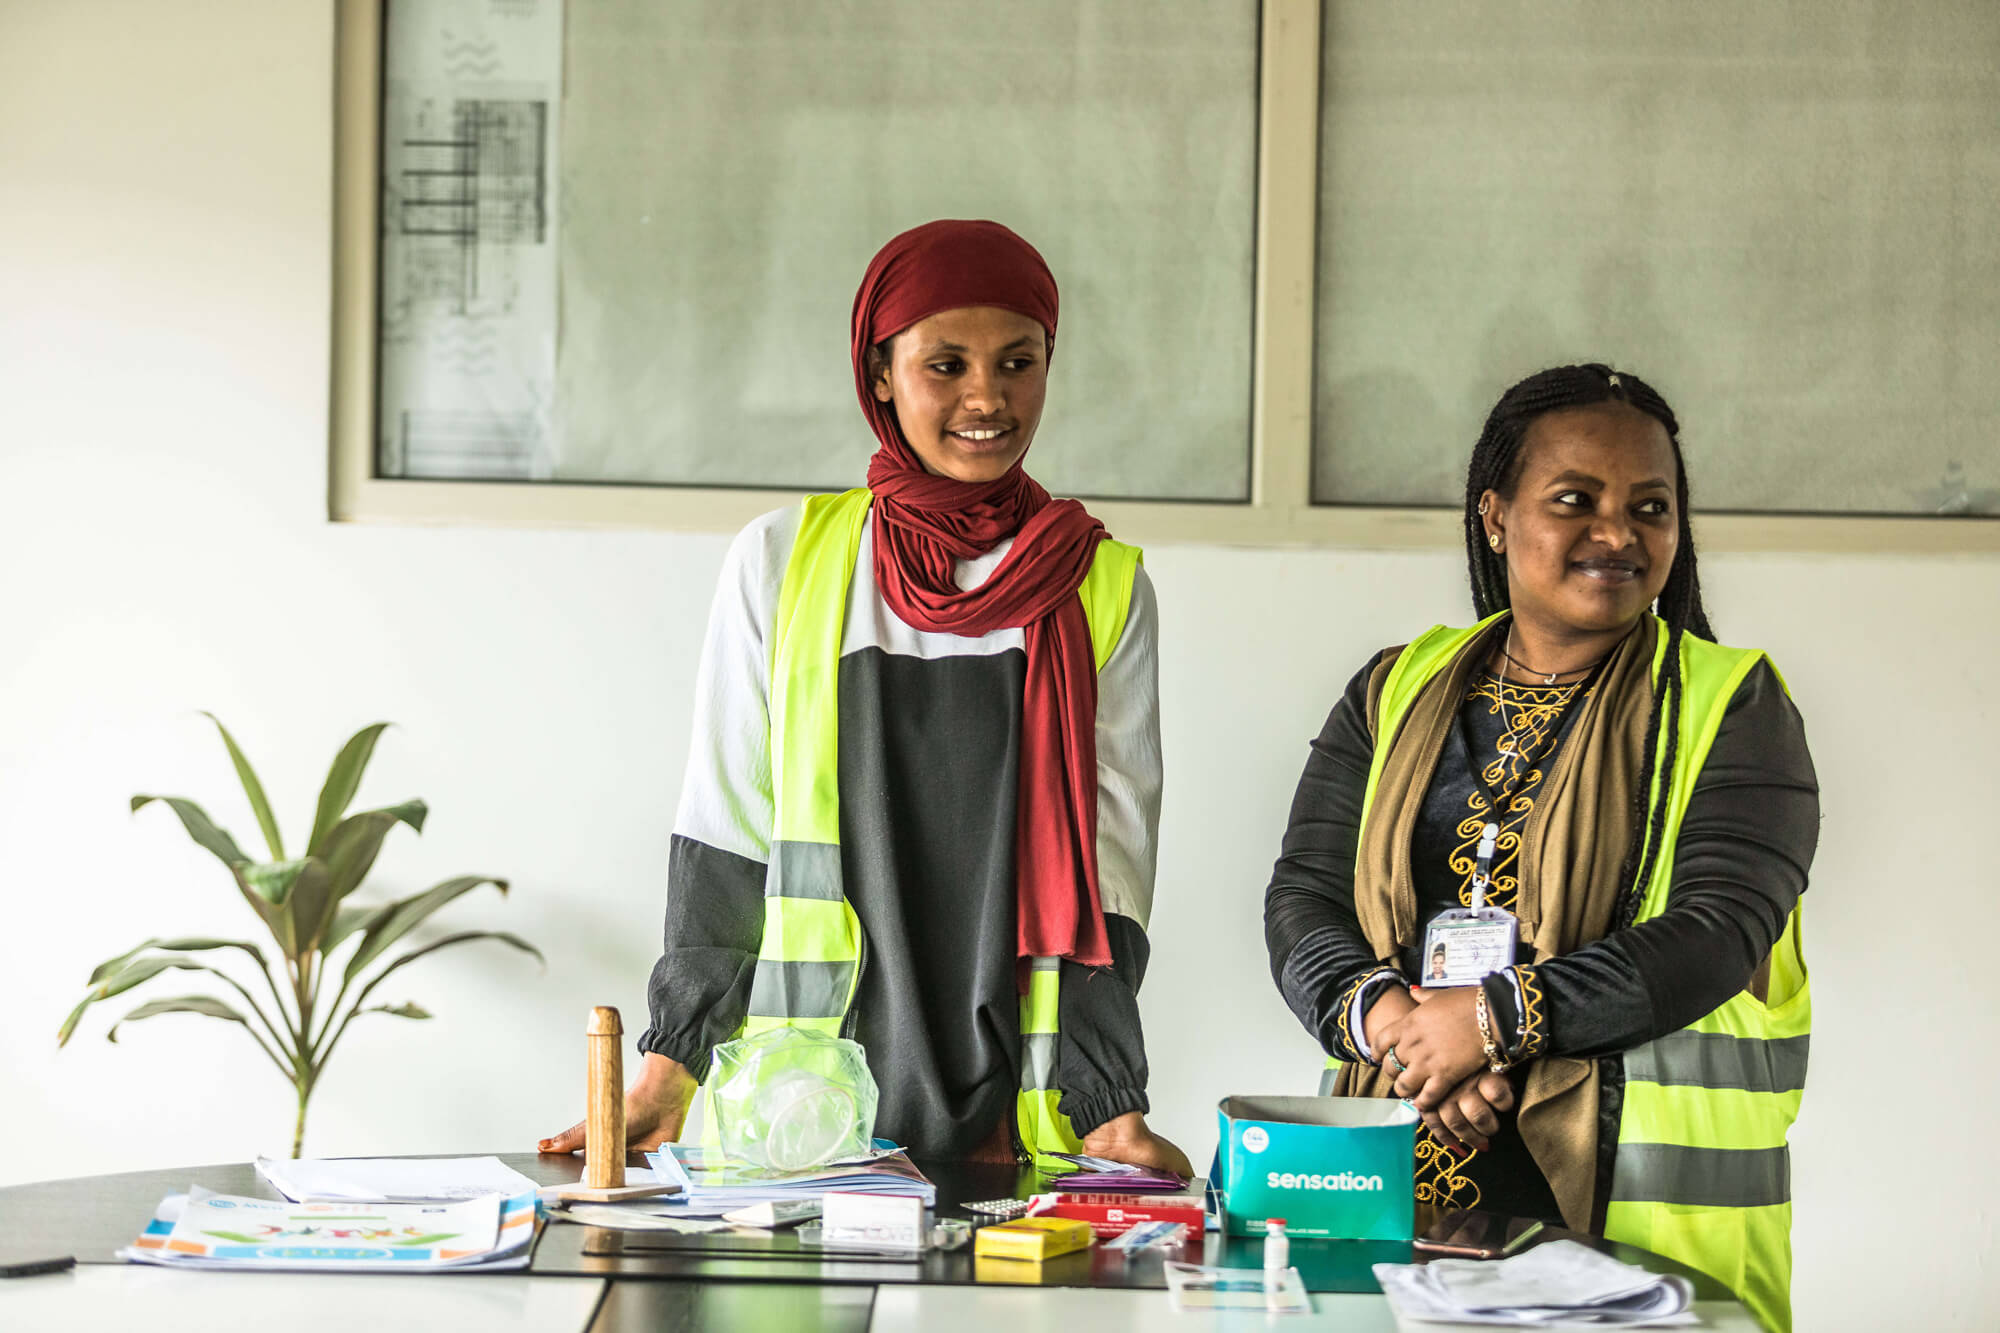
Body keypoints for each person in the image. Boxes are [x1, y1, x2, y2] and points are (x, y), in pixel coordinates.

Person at [542, 220, 1188, 1176]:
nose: (987, 397)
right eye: (947, 364)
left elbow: (1112, 868)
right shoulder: (782, 561)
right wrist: (672, 1064)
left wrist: (1105, 1104)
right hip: (803, 1107)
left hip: (1017, 1105)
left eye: (1019, 362)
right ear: (880, 373)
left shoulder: (1099, 586)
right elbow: (725, 828)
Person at [1263, 365, 1818, 1331]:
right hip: (1396, 1192)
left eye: (1651, 506)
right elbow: (1304, 896)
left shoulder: (1736, 704)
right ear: (1494, 514)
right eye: (1576, 500)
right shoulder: (1394, 687)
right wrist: (1395, 1023)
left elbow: (1719, 929)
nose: (1618, 532)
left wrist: (1490, 1020)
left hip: (1634, 1232)